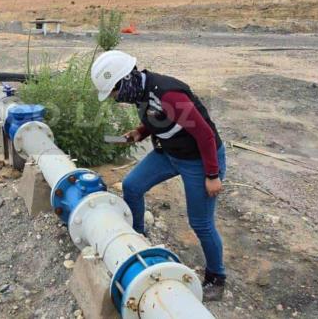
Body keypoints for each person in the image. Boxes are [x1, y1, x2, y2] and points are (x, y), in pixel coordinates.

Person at [90, 50, 228, 301]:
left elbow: (205, 135)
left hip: (199, 159)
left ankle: (216, 278)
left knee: (201, 223)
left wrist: (212, 174)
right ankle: (138, 237)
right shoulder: (141, 95)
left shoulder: (169, 94)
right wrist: (139, 133)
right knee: (132, 185)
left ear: (126, 80)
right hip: (170, 153)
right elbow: (159, 120)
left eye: (113, 91)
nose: (114, 98)